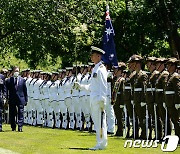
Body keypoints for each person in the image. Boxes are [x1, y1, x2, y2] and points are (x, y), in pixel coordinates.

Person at [74, 46, 108, 150]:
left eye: (93, 55)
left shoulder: (101, 69)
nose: (91, 57)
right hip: (94, 99)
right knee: (97, 123)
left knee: (100, 123)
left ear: (98, 56)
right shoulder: (95, 68)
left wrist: (103, 99)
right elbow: (92, 86)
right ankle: (100, 142)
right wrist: (81, 86)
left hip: (98, 99)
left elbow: (103, 85)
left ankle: (101, 143)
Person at [6, 66, 28, 132]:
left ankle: (20, 127)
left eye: (17, 71)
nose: (16, 72)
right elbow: (7, 90)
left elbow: (25, 90)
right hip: (12, 99)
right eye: (15, 71)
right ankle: (13, 127)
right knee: (12, 113)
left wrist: (26, 99)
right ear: (13, 72)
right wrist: (7, 98)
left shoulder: (22, 80)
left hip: (21, 99)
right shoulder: (9, 80)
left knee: (20, 113)